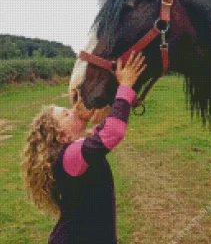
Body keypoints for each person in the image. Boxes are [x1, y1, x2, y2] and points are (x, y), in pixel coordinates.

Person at [22, 51, 146, 244]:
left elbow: (107, 126)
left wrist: (120, 92)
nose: (73, 110)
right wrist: (125, 85)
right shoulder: (69, 157)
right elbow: (113, 133)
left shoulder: (75, 149)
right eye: (65, 114)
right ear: (61, 136)